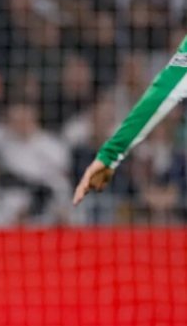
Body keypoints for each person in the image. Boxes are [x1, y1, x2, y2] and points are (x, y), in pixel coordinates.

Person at [74, 34, 187, 205]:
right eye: (129, 68)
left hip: (159, 159)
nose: (133, 74)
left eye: (137, 68)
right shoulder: (112, 98)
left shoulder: (157, 95)